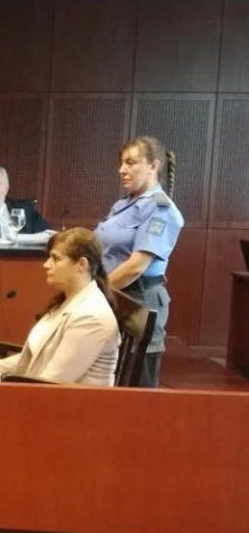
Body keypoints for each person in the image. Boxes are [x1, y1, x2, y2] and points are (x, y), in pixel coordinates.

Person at [0, 228, 121, 385]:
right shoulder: (69, 301)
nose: (46, 265)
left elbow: (51, 384)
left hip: (70, 407)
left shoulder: (91, 317)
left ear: (81, 265)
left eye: (55, 259)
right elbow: (33, 359)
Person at [94, 136, 183, 387]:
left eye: (131, 163)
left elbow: (136, 266)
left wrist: (94, 292)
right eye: (122, 163)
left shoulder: (161, 210)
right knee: (108, 381)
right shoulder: (124, 204)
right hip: (114, 298)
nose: (122, 170)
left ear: (153, 166)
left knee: (136, 386)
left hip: (138, 301)